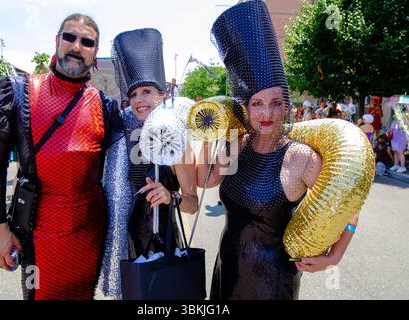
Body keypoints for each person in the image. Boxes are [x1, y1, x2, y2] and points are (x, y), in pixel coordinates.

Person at [199, 0, 359, 300]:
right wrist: (211, 127)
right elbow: (206, 180)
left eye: (275, 102)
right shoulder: (238, 145)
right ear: (246, 107)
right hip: (226, 272)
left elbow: (348, 204)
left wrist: (335, 255)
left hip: (272, 284)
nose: (267, 112)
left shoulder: (300, 157)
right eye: (256, 103)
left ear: (286, 105)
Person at [0, 14, 119, 300]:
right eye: (70, 37)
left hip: (90, 232)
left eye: (87, 42)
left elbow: (132, 159)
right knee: (38, 295)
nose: (77, 46)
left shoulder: (104, 105)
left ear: (95, 53)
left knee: (82, 296)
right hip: (37, 233)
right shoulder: (19, 92)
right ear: (57, 41)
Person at [97, 28, 199, 300]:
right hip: (125, 243)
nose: (140, 100)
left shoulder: (178, 141)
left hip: (162, 244)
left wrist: (170, 196)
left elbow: (193, 203)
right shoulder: (123, 133)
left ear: (163, 94)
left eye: (147, 92)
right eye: (133, 95)